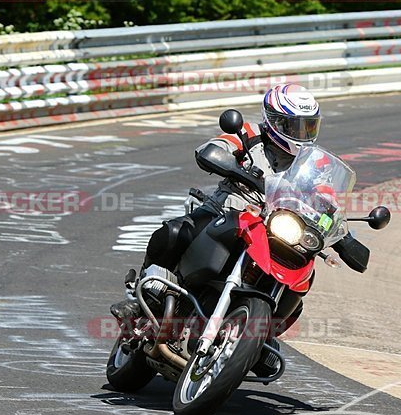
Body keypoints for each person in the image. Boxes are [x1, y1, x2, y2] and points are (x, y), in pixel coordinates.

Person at [110, 83, 322, 323]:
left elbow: (327, 199)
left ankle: (260, 340)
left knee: (298, 286)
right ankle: (141, 299)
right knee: (174, 232)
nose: (301, 134)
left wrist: (341, 233)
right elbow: (214, 147)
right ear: (274, 121)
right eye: (294, 126)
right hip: (226, 211)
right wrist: (227, 162)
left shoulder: (311, 165)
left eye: (308, 126)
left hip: (275, 231)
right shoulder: (249, 134)